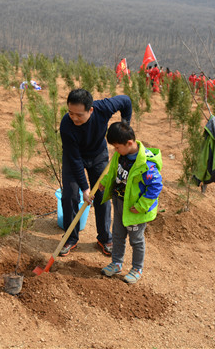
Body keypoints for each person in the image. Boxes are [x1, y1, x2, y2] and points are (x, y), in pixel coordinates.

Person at [59, 88, 132, 257]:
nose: (74, 118)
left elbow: (126, 101)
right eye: (70, 113)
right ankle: (70, 238)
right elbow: (75, 160)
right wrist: (84, 188)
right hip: (74, 157)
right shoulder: (66, 125)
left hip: (98, 155)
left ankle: (105, 238)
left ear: (90, 110)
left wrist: (125, 125)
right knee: (70, 194)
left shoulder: (103, 108)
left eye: (79, 114)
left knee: (102, 194)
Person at [99, 121, 163, 284]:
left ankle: (137, 268)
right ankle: (117, 263)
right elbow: (113, 171)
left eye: (117, 147)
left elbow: (155, 187)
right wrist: (106, 181)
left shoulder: (146, 165)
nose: (115, 150)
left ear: (129, 143)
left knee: (136, 239)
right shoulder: (121, 156)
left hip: (136, 210)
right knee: (118, 235)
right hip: (120, 203)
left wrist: (141, 206)